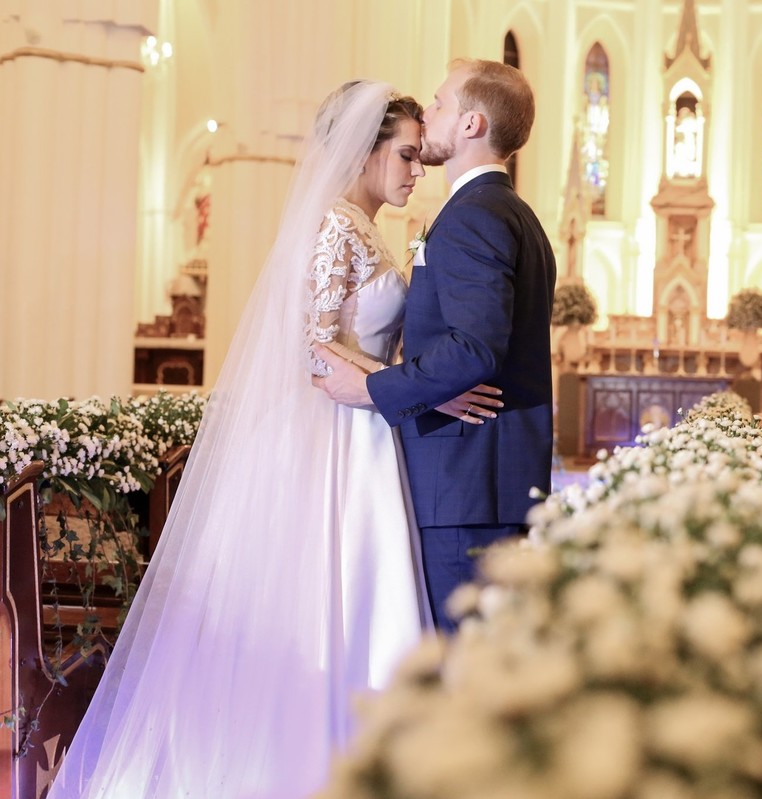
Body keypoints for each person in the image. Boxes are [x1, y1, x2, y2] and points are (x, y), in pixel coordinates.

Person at [49, 81, 492, 798]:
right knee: (324, 608)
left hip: (365, 436)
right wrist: (413, 383)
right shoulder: (334, 228)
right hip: (334, 440)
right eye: (406, 155)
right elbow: (313, 348)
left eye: (419, 156)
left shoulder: (364, 226)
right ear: (365, 148)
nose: (417, 170)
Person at [316, 59, 556, 632]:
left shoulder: (473, 217)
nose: (429, 115)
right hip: (479, 481)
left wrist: (375, 385)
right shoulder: (509, 212)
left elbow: (474, 349)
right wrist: (422, 388)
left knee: (464, 664)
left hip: (467, 486)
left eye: (441, 103)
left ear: (472, 124)